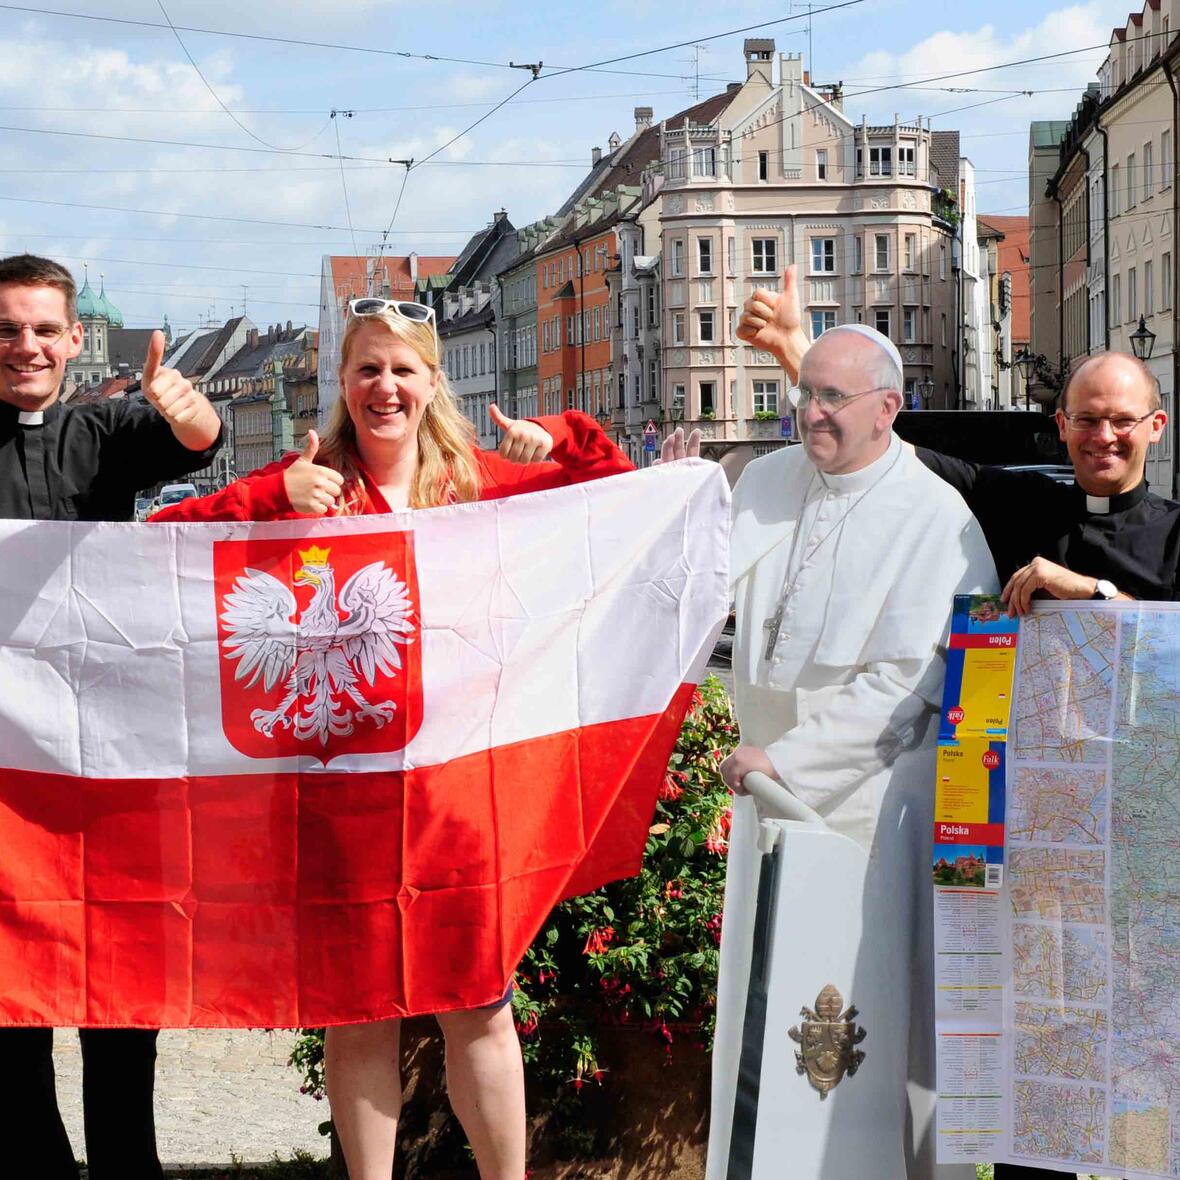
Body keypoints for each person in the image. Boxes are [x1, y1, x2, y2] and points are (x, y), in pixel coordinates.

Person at [152, 295, 635, 1180]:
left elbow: (618, 500)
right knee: (358, 1011)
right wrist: (266, 496)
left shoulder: (481, 484)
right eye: (368, 368)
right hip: (342, 798)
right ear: (342, 382)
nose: (385, 387)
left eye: (403, 369)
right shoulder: (308, 484)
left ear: (431, 381)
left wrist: (559, 439)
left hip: (457, 798)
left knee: (480, 1007)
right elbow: (156, 554)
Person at [677, 295, 997, 1178]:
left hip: (866, 810)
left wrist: (787, 761)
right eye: (805, 393)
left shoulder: (939, 522)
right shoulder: (772, 477)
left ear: (888, 408)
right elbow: (697, 580)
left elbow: (909, 683)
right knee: (760, 1018)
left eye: (832, 399)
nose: (810, 411)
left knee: (855, 1033)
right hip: (766, 798)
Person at [0, 253, 223, 1180]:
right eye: (8, 330)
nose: (27, 348)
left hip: (101, 759)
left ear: (76, 339)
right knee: (8, 1004)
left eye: (45, 329)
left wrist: (183, 401)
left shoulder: (110, 429)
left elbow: (202, 443)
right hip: (4, 771)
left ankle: (130, 1169)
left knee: (121, 992)